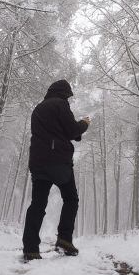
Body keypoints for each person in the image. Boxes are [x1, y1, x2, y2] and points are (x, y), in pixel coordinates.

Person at [22, 79, 90, 261]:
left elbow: (54, 131)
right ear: (64, 94)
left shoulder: (38, 108)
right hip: (58, 161)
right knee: (71, 198)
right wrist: (84, 124)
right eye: (68, 96)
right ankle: (64, 239)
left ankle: (30, 248)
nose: (68, 99)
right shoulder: (60, 105)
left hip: (38, 162)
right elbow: (71, 131)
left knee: (37, 204)